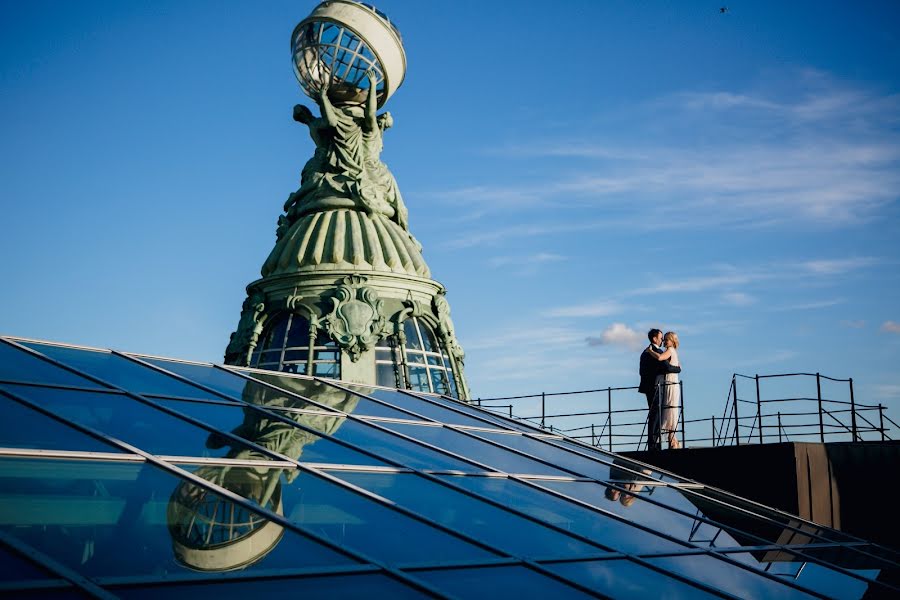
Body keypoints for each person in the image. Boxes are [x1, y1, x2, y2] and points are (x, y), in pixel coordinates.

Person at [639, 329, 681, 451]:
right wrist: (678, 369)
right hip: (654, 387)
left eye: (664, 338)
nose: (662, 340)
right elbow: (666, 367)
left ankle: (658, 443)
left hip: (655, 386)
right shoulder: (652, 351)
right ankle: (654, 445)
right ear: (654, 339)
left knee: (658, 415)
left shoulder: (650, 351)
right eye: (661, 338)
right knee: (656, 416)